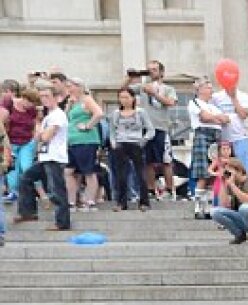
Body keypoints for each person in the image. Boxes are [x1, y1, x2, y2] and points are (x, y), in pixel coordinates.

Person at [15, 88, 70, 231]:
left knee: (56, 189)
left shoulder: (58, 115)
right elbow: (37, 137)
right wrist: (40, 131)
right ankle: (28, 212)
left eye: (47, 96)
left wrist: (39, 129)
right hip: (45, 156)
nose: (44, 99)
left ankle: (62, 222)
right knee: (25, 178)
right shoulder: (48, 116)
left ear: (56, 98)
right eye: (42, 96)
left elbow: (45, 137)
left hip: (55, 157)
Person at [126, 61, 178, 201]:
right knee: (147, 160)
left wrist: (154, 94)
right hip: (145, 128)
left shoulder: (168, 88)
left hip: (161, 127)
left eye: (154, 69)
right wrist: (130, 77)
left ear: (161, 72)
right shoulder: (142, 87)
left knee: (166, 160)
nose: (151, 72)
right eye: (149, 69)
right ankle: (150, 189)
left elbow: (171, 102)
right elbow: (124, 91)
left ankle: (169, 189)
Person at [107, 85, 154, 212]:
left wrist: (143, 141)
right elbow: (112, 130)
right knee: (121, 175)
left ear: (133, 98)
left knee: (140, 174)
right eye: (121, 97)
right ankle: (121, 202)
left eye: (127, 97)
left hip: (136, 143)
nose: (124, 100)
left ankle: (144, 202)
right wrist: (113, 143)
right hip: (121, 144)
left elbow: (151, 129)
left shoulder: (140, 112)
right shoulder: (116, 114)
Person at [63, 77, 103, 211]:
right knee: (68, 171)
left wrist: (87, 126)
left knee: (88, 171)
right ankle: (72, 201)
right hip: (73, 141)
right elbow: (66, 118)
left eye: (71, 86)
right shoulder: (73, 102)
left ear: (79, 87)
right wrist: (68, 106)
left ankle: (90, 201)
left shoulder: (87, 99)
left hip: (86, 140)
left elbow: (98, 113)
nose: (69, 89)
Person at [188, 79, 227, 218]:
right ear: (200, 90)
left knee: (213, 174)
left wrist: (214, 118)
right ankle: (198, 208)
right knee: (202, 174)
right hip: (202, 135)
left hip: (216, 137)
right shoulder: (194, 103)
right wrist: (216, 118)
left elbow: (226, 119)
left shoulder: (213, 106)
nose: (211, 90)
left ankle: (209, 208)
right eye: (208, 88)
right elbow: (204, 117)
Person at [210, 158, 248, 244]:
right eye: (226, 173)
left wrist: (232, 185)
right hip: (241, 218)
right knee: (215, 212)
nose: (229, 175)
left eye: (230, 173)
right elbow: (224, 204)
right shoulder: (231, 183)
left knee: (244, 208)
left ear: (239, 171)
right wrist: (223, 182)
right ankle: (239, 235)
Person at [2, 88, 39, 204]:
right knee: (12, 171)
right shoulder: (10, 105)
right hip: (11, 142)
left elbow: (35, 124)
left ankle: (30, 191)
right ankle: (14, 192)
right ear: (24, 98)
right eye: (30, 103)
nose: (31, 106)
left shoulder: (32, 110)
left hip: (27, 142)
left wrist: (35, 139)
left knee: (27, 167)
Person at [212, 79, 248, 176]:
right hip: (224, 141)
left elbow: (243, 115)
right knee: (225, 173)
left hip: (240, 138)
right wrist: (220, 118)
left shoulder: (244, 96)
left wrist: (234, 98)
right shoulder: (216, 97)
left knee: (243, 172)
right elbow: (211, 114)